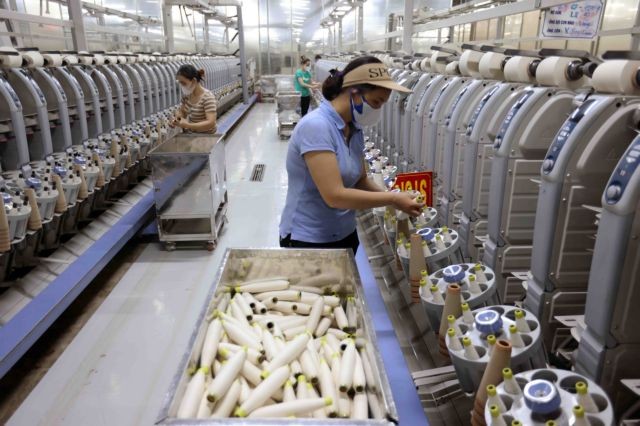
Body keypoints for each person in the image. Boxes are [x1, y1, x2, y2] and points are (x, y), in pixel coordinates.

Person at [279, 56, 424, 254]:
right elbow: (335, 196)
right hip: (310, 239)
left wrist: (397, 197)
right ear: (354, 93)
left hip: (344, 233)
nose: (378, 110)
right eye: (376, 102)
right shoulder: (317, 127)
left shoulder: (354, 128)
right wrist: (392, 200)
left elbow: (360, 180)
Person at [170, 64, 217, 133]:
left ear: (194, 81)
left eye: (183, 83)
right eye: (180, 83)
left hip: (207, 137)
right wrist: (177, 119)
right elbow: (183, 112)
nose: (182, 86)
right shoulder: (186, 96)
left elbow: (210, 123)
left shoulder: (207, 98)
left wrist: (188, 125)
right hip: (192, 134)